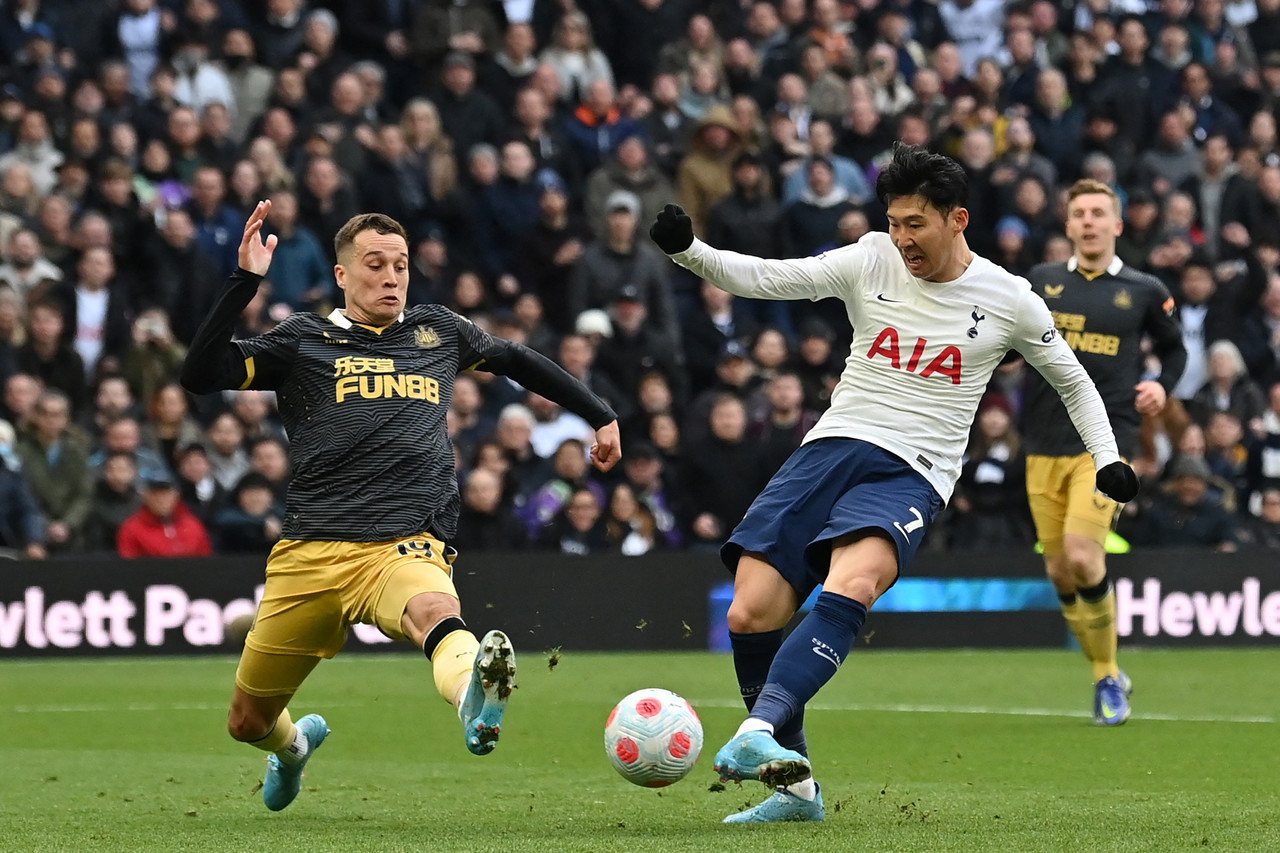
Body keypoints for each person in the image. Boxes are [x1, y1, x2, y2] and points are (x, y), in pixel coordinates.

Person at [648, 144, 1138, 824]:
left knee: (854, 581)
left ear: (957, 218)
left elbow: (1074, 381)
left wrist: (1108, 457)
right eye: (895, 221)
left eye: (917, 223)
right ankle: (797, 791)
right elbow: (766, 276)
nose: (903, 237)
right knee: (749, 611)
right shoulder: (870, 257)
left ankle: (758, 730)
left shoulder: (1008, 298)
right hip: (830, 447)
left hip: (914, 468)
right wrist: (689, 251)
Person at [179, 201, 620, 813]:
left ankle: (476, 691)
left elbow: (517, 360)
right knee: (248, 722)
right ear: (341, 275)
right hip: (310, 553)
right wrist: (245, 281)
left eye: (401, 266)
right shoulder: (302, 341)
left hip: (403, 543)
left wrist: (598, 413)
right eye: (375, 265)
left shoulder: (438, 332)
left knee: (434, 609)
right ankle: (294, 748)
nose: (391, 277)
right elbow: (201, 373)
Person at [1022, 178, 1187, 728]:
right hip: (1042, 444)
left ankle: (1106, 677)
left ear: (1117, 225)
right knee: (1059, 572)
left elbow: (1174, 346)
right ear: (1067, 226)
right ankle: (1107, 670)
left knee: (1083, 555)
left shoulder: (1142, 290)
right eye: (1080, 213)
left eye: (1099, 213)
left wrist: (1162, 384)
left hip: (1105, 445)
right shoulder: (1040, 284)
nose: (1089, 221)